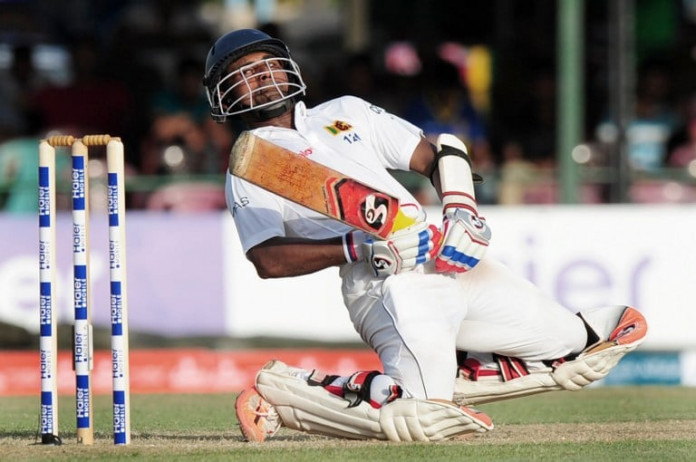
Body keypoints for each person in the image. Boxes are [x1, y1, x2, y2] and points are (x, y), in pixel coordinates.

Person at [202, 29, 648, 443]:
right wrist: (358, 246)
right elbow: (267, 260)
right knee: (420, 418)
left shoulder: (344, 111)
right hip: (386, 283)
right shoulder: (249, 171)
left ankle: (445, 377)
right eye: (244, 75)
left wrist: (463, 214)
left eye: (267, 65)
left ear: (288, 68)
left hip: (443, 258)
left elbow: (436, 155)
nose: (261, 78)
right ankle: (287, 391)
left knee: (578, 353)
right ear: (225, 95)